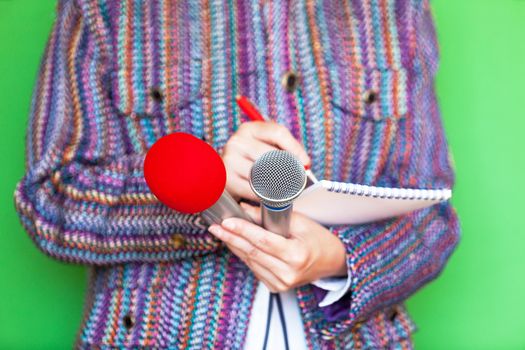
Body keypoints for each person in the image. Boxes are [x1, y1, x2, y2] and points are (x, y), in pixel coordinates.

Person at [13, 0, 459, 349]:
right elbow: (51, 201)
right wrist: (204, 187)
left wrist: (337, 260)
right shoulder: (106, 9)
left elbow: (434, 217)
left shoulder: (395, 10)